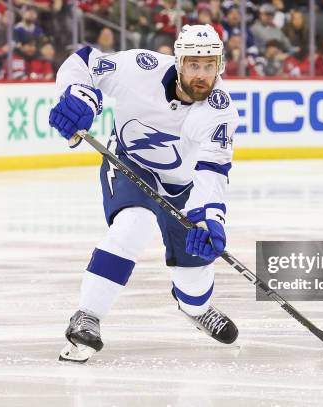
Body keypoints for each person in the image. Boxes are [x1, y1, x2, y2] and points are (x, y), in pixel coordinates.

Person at [48, 24, 240, 363]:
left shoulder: (219, 111)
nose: (202, 75)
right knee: (133, 224)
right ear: (178, 62)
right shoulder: (140, 67)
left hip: (183, 186)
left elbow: (212, 171)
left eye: (210, 66)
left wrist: (211, 219)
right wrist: (79, 95)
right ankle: (87, 315)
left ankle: (196, 308)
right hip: (129, 164)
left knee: (194, 279)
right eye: (195, 65)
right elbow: (83, 62)